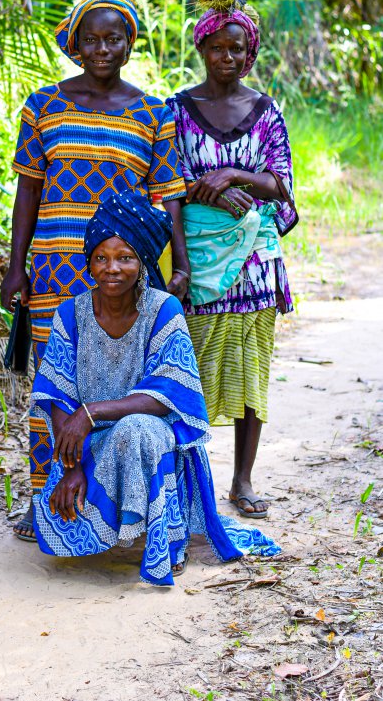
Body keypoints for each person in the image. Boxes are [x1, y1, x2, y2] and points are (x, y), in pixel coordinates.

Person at [0, 0, 191, 540]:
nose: (102, 48)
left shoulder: (153, 113)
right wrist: (17, 267)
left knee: (118, 383)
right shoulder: (43, 105)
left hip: (124, 274)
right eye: (92, 38)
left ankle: (121, 500)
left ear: (130, 45)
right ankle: (46, 501)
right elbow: (27, 192)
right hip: (56, 267)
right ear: (76, 45)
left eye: (113, 38)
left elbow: (170, 196)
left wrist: (179, 266)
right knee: (56, 384)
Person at [31, 192, 279, 586]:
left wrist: (90, 412)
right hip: (90, 445)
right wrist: (71, 469)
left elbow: (169, 394)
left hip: (153, 439)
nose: (112, 268)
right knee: (60, 530)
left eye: (125, 257)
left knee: (138, 429)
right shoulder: (70, 314)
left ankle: (169, 538)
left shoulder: (164, 309)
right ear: (89, 262)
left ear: (143, 262)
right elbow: (56, 395)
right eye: (101, 257)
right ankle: (118, 519)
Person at [167, 0, 298, 520]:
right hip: (198, 264)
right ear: (203, 49)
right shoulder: (175, 110)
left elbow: (283, 187)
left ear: (251, 52)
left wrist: (237, 177)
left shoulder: (266, 111)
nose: (229, 57)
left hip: (255, 265)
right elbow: (167, 187)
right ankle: (186, 486)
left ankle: (242, 482)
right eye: (219, 47)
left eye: (239, 48)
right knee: (186, 370)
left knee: (250, 372)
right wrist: (208, 192)